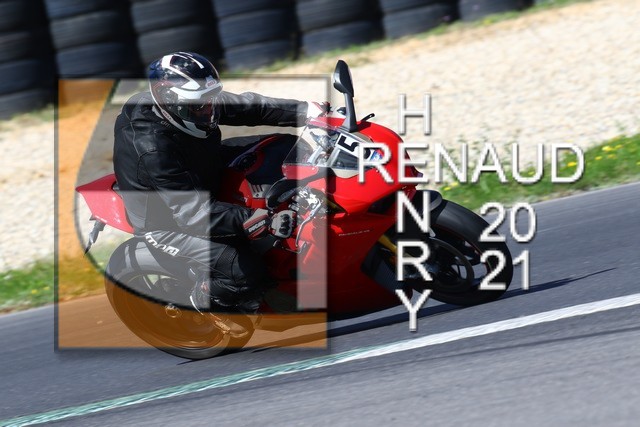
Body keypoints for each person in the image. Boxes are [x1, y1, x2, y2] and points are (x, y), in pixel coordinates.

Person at [113, 52, 327, 334]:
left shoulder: (190, 105)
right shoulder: (153, 149)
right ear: (170, 100)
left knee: (284, 149)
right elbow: (194, 215)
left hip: (200, 169)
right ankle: (205, 300)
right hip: (169, 222)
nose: (210, 110)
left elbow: (248, 106)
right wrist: (258, 219)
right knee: (245, 271)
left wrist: (307, 111)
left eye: (211, 98)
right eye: (200, 105)